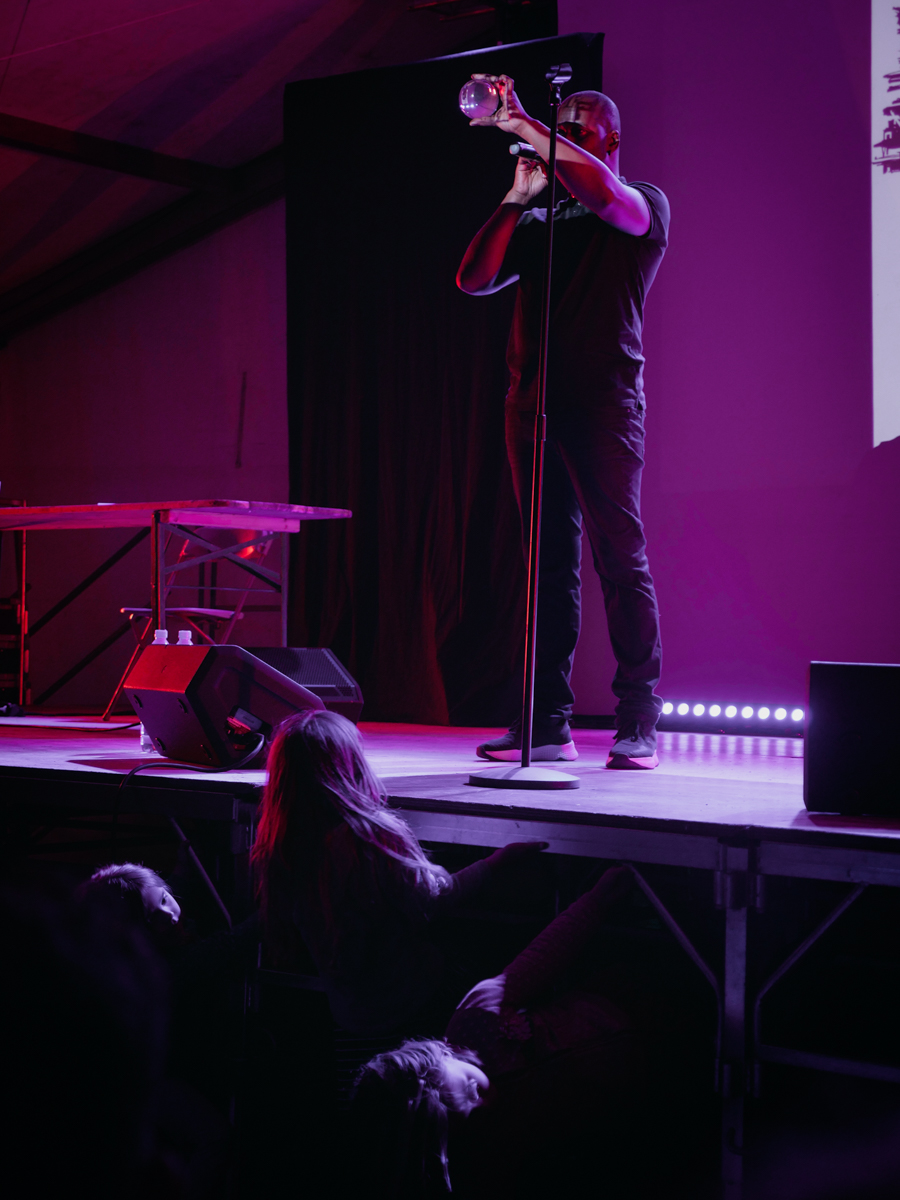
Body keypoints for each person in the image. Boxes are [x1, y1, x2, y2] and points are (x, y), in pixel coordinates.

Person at [457, 76, 670, 770]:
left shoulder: (641, 204)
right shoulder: (541, 224)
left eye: (577, 130)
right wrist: (515, 199)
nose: (563, 138)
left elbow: (604, 196)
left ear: (611, 140)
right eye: (560, 127)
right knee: (546, 568)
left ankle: (637, 720)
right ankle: (545, 723)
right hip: (532, 404)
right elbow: (473, 279)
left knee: (620, 558)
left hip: (605, 404)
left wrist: (525, 123)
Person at [350, 865, 644, 1198]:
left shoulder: (474, 1023)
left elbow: (540, 959)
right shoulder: (488, 1157)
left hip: (619, 1002)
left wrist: (596, 901)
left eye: (470, 1088)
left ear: (443, 1056)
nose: (484, 1105)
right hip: (634, 1099)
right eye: (469, 1123)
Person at [250, 708, 545, 1035]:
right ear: (352, 764)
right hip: (413, 1002)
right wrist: (496, 863)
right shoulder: (372, 835)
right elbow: (431, 899)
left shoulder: (282, 842)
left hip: (348, 1012)